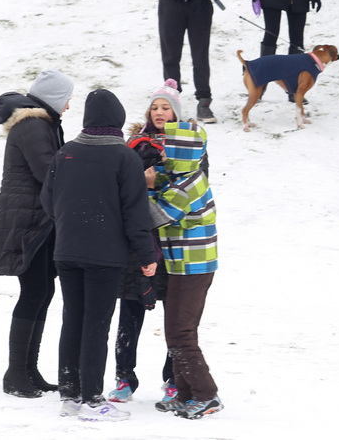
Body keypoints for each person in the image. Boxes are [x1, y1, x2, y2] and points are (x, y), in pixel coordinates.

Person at [40, 89, 157, 422]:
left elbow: (48, 203)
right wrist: (146, 255)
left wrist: (71, 224)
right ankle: (92, 399)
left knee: (72, 321)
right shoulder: (125, 158)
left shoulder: (65, 154)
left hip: (66, 251)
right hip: (105, 257)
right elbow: (136, 215)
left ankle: (70, 396)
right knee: (96, 326)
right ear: (117, 120)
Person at [0, 70, 74, 398]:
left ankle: (28, 369)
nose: (68, 105)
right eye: (65, 98)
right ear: (52, 97)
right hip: (28, 220)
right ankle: (15, 373)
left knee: (42, 291)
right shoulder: (34, 125)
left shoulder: (40, 123)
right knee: (34, 291)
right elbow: (48, 171)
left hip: (38, 218)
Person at [148, 82, 223, 420]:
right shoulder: (179, 175)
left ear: (184, 151)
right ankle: (185, 392)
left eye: (169, 149)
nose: (163, 153)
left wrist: (147, 189)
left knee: (180, 331)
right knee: (177, 329)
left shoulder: (188, 184)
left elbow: (159, 217)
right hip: (182, 265)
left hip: (194, 267)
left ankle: (206, 394)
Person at [106, 79, 181, 405]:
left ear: (176, 112)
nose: (160, 112)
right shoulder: (133, 144)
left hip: (174, 243)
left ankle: (174, 377)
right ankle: (124, 378)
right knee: (129, 312)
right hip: (137, 242)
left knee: (176, 318)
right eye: (155, 107)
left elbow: (191, 185)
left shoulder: (188, 144)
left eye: (166, 107)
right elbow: (119, 185)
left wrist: (154, 184)